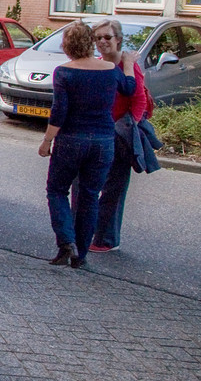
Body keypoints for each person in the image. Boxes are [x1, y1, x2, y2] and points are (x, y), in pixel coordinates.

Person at [39, 20, 135, 267]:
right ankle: (80, 256)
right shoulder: (110, 70)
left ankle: (66, 242)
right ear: (91, 43)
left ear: (67, 45)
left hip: (71, 139)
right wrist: (129, 65)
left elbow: (59, 112)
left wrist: (47, 140)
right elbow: (129, 87)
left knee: (57, 190)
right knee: (90, 196)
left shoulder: (65, 72)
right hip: (104, 141)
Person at [89, 20, 151, 253]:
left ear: (118, 40)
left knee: (114, 189)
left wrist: (128, 128)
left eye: (107, 37)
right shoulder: (96, 65)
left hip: (118, 134)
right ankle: (88, 232)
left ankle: (106, 240)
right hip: (97, 133)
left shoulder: (128, 67)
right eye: (98, 38)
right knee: (92, 185)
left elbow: (139, 100)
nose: (103, 42)